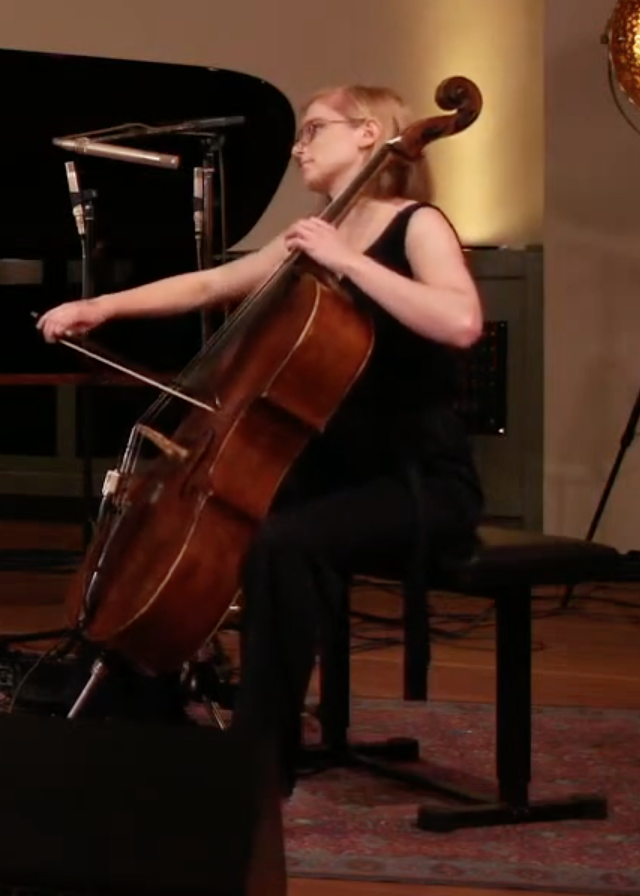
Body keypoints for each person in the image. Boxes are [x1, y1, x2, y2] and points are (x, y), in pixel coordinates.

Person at [36, 83, 485, 793]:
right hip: (330, 470)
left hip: (417, 479)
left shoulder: (415, 224)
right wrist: (102, 306)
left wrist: (349, 261)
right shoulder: (315, 230)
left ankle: (259, 758)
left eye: (314, 129)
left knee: (284, 541)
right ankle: (136, 705)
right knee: (191, 523)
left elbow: (461, 323)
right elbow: (213, 284)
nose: (299, 146)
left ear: (369, 133)